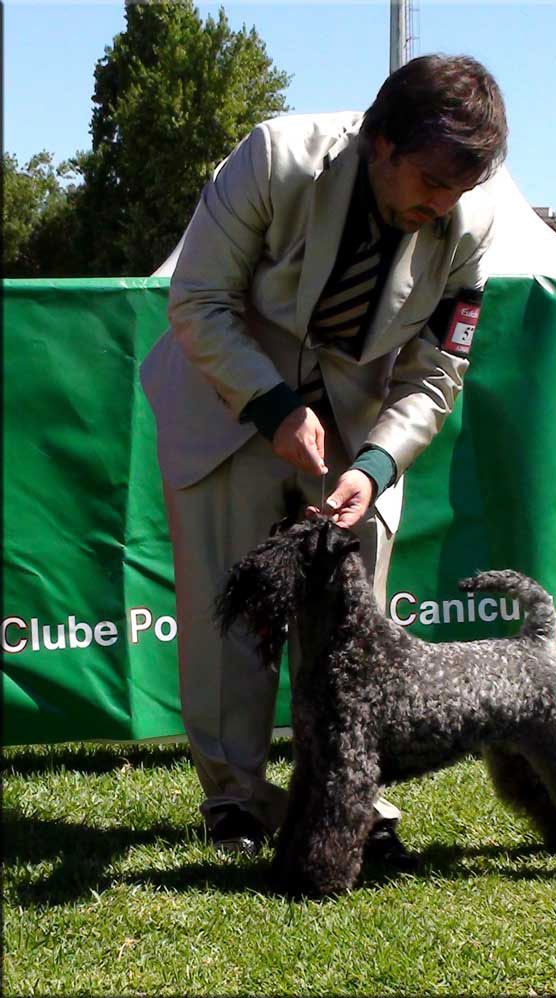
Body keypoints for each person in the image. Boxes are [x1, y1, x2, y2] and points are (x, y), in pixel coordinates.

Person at [140, 53, 508, 864]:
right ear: (381, 142)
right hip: (227, 400)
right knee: (233, 614)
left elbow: (440, 369)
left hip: (356, 430)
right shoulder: (274, 156)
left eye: (461, 188)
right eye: (431, 181)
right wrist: (272, 407)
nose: (443, 204)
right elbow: (196, 299)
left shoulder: (469, 223)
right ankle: (233, 799)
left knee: (352, 628)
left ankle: (348, 795)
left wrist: (374, 466)